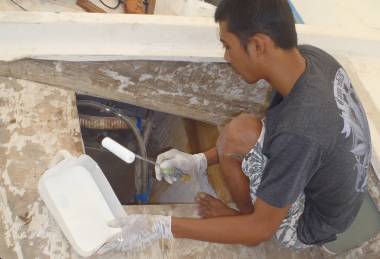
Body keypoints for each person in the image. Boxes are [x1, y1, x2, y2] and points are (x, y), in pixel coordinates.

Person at [98, 0, 372, 254]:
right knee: (240, 132)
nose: (227, 57)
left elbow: (258, 234)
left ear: (257, 46)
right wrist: (198, 162)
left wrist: (163, 227)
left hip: (309, 225)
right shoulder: (313, 60)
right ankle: (248, 212)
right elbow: (274, 132)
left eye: (228, 46)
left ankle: (244, 217)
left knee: (237, 146)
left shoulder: (301, 130)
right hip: (328, 191)